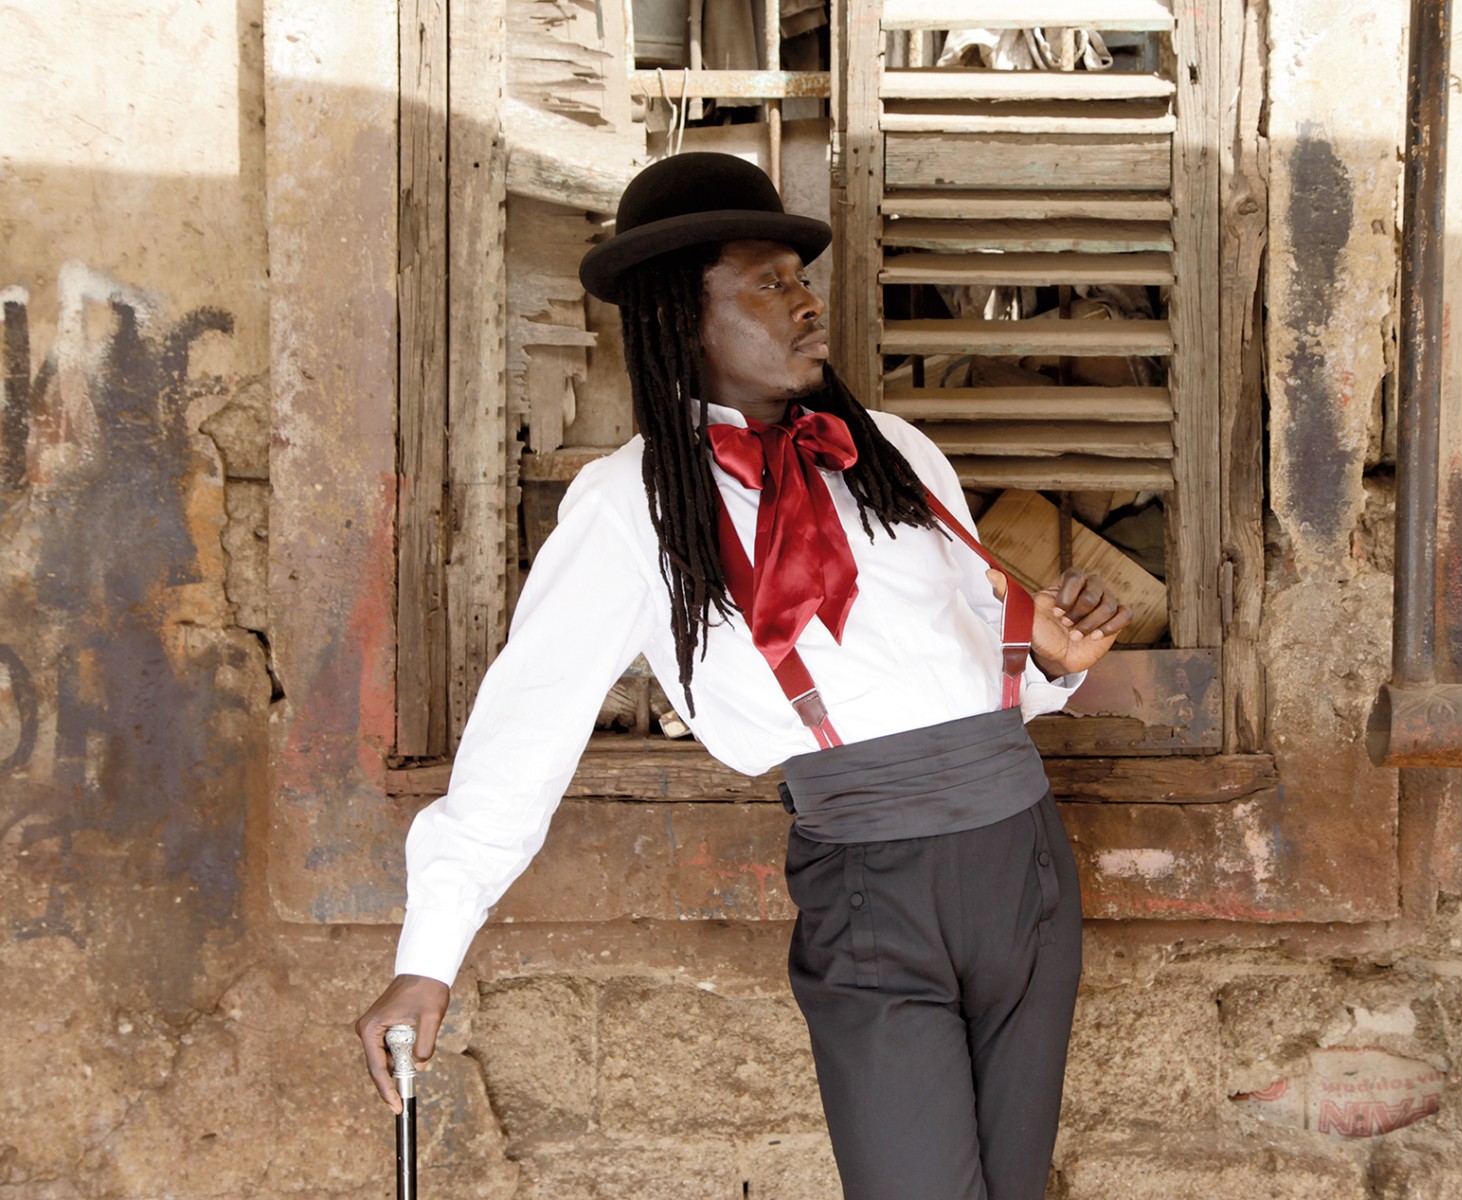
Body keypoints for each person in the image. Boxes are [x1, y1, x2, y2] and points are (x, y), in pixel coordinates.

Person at [356, 152, 1132, 1200]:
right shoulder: (629, 506)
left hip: (1024, 858)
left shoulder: (893, 450)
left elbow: (972, 650)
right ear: (683, 318)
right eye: (766, 282)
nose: (806, 301)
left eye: (797, 276)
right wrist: (429, 955)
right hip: (873, 884)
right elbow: (522, 735)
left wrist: (1049, 666)